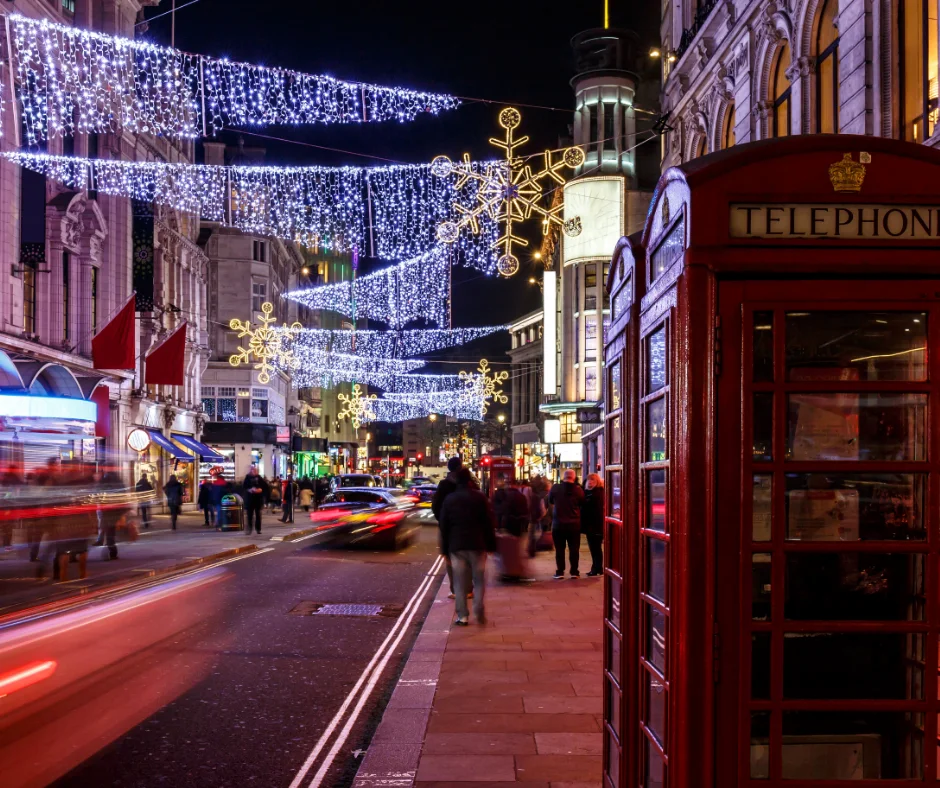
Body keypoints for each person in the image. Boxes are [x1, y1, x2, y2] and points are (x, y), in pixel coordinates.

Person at [439, 468, 497, 626]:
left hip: (457, 546)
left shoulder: (450, 499)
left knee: (459, 581)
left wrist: (444, 549)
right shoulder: (480, 497)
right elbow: (488, 523)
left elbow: (444, 526)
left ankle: (463, 616)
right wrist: (491, 545)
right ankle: (478, 608)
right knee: (479, 579)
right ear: (470, 480)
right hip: (478, 545)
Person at [432, 456, 465, 600]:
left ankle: (455, 589)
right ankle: (467, 588)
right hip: (464, 526)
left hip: (448, 527)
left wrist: (442, 520)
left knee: (450, 558)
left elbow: (435, 506)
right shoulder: (467, 483)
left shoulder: (444, 485)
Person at [548, 469, 585, 579]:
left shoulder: (555, 488)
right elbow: (582, 503)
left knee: (559, 549)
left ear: (563, 477)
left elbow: (550, 500)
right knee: (574, 549)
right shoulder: (578, 490)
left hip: (558, 524)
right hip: (574, 525)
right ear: (574, 477)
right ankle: (574, 572)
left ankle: (560, 572)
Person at [492, 479, 531, 583]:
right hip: (519, 526)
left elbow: (501, 510)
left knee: (506, 550)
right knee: (517, 550)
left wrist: (499, 524)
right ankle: (516, 571)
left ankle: (508, 571)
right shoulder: (521, 496)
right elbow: (526, 511)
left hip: (508, 525)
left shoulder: (505, 496)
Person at [581, 473, 605, 576]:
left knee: (595, 548)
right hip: (590, 525)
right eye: (588, 480)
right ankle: (597, 568)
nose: (590, 482)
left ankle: (596, 568)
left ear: (597, 482)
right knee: (595, 548)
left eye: (592, 480)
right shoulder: (588, 493)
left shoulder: (597, 493)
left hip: (595, 525)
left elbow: (591, 509)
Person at [242, 465, 269, 534]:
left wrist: (260, 489)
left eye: (254, 470)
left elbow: (265, 486)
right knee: (249, 515)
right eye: (252, 470)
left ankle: (258, 529)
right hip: (250, 499)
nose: (253, 471)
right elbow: (244, 487)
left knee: (258, 515)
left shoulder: (259, 478)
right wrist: (250, 490)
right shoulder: (247, 477)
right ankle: (249, 528)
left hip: (258, 499)